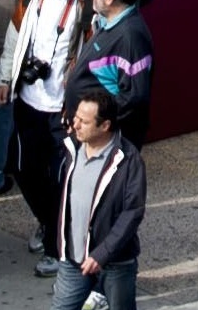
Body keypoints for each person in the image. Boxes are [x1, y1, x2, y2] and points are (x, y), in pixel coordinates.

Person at [0, 0, 89, 264]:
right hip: (28, 101)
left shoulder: (86, 1)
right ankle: (49, 222)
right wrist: (6, 78)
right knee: (21, 167)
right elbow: (15, 33)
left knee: (62, 178)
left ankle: (55, 247)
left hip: (63, 108)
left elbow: (94, 51)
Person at [48, 96, 140, 310]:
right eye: (75, 118)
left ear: (105, 125)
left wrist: (102, 254)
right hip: (73, 259)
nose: (76, 125)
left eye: (84, 121)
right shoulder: (71, 148)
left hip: (115, 263)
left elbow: (132, 213)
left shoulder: (127, 159)